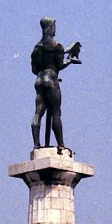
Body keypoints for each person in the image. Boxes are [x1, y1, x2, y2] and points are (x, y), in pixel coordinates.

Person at [30, 17, 81, 149]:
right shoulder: (57, 46)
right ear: (51, 27)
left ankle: (36, 144)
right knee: (56, 112)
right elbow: (59, 66)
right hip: (51, 80)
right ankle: (61, 144)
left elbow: (34, 69)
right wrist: (69, 60)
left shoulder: (37, 48)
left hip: (39, 81)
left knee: (38, 113)